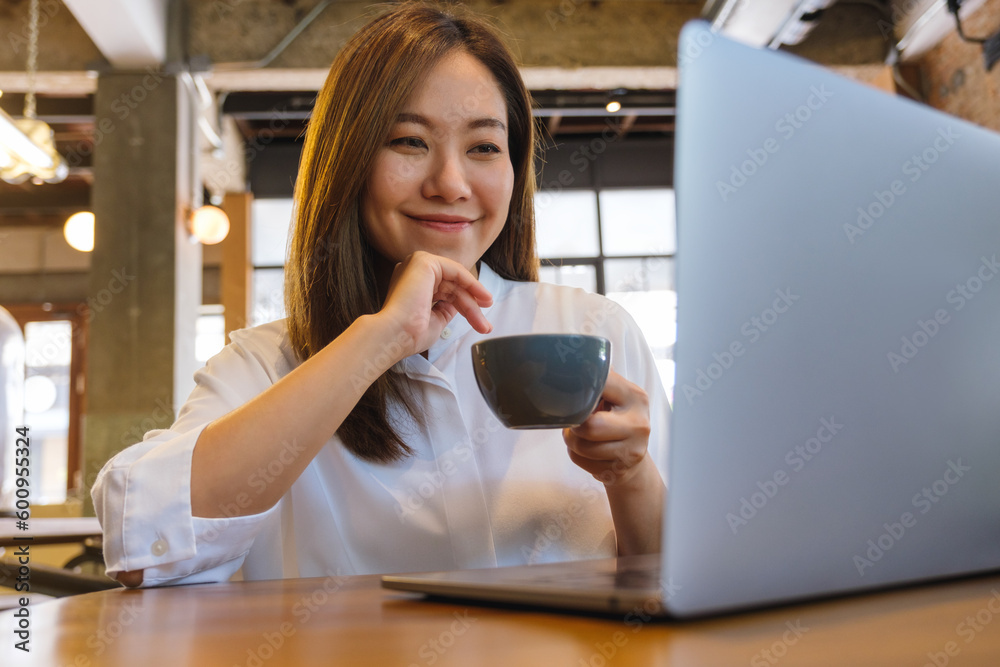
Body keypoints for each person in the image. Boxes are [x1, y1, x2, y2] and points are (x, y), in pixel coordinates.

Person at [92, 1, 669, 588]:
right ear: (348, 162)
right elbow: (142, 546)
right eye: (409, 141)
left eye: (484, 147)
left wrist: (632, 476)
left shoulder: (595, 331)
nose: (449, 183)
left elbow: (695, 574)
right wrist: (379, 339)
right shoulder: (268, 364)